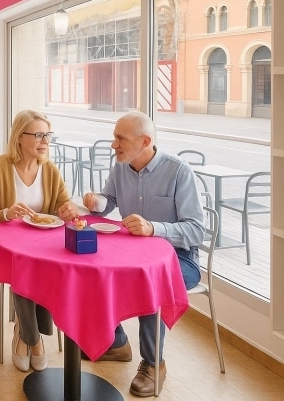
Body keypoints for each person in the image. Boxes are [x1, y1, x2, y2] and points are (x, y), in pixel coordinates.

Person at [82, 111, 204, 397]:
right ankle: (116, 343)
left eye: (120, 138)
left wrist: (153, 228)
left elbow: (196, 230)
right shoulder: (120, 167)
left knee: (150, 284)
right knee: (96, 270)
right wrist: (96, 201)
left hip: (178, 258)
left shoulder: (179, 171)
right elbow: (109, 201)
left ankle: (153, 363)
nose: (114, 144)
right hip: (134, 255)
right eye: (114, 137)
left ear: (145, 141)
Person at [0, 110, 78, 373]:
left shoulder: (50, 170)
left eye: (47, 135)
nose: (45, 141)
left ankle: (23, 333)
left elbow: (64, 206)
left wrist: (69, 208)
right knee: (24, 269)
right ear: (20, 137)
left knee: (42, 268)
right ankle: (35, 341)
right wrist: (6, 213)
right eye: (38, 135)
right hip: (4, 248)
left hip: (43, 245)